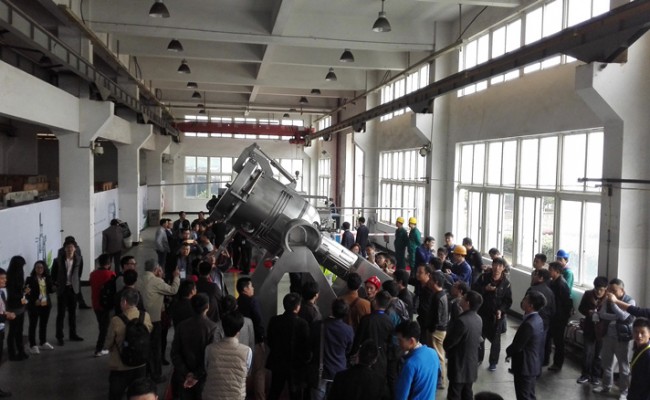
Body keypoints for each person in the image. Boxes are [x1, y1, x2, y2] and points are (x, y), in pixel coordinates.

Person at [106, 289, 153, 400]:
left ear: (124, 302)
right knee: (138, 393)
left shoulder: (116, 320)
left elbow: (109, 343)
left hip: (120, 365)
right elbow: (149, 331)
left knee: (115, 395)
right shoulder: (145, 316)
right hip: (141, 363)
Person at [139, 259, 180, 383]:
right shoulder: (156, 281)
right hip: (154, 319)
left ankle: (146, 372)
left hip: (142, 318)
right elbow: (173, 290)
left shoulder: (140, 279)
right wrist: (176, 277)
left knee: (146, 347)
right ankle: (156, 375)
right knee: (156, 348)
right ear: (156, 269)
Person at [593, 278, 635, 397]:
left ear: (622, 290)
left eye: (614, 290)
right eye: (610, 290)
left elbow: (624, 317)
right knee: (606, 364)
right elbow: (602, 314)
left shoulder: (630, 301)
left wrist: (614, 304)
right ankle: (606, 386)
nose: (610, 292)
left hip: (622, 338)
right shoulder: (607, 299)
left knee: (623, 366)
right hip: (608, 335)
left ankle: (624, 392)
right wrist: (616, 316)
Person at [170, 293, 217, 399]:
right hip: (203, 378)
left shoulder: (181, 326)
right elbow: (211, 358)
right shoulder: (213, 328)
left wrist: (186, 373)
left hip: (183, 377)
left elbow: (174, 353)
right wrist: (196, 375)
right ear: (207, 307)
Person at [266, 293, 311, 400]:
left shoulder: (274, 320)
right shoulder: (302, 324)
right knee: (295, 394)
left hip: (278, 362)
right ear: (298, 307)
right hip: (296, 364)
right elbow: (306, 346)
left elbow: (270, 340)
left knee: (274, 391)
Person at [309, 299, 354, 400]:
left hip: (320, 371)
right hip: (339, 371)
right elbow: (348, 350)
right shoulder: (349, 330)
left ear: (331, 309)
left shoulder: (318, 326)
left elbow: (311, 345)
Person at [473, 257, 512, 371]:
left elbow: (507, 301)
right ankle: (478, 358)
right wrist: (485, 289)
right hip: (481, 313)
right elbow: (474, 290)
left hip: (496, 316)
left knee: (495, 340)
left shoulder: (506, 283)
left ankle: (493, 362)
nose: (497, 268)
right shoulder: (484, 277)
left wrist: (501, 310)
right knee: (480, 338)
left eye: (500, 266)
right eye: (495, 264)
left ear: (503, 268)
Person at [505, 291, 546, 400]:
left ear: (530, 305)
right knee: (530, 395)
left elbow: (518, 346)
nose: (522, 301)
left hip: (525, 366)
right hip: (532, 365)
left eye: (525, 299)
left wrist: (508, 351)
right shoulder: (538, 319)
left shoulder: (529, 324)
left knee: (523, 396)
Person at [444, 291, 484, 400]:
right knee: (467, 393)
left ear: (468, 303)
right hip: (471, 365)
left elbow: (449, 342)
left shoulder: (461, 321)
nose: (461, 298)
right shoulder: (478, 319)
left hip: (459, 365)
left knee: (454, 394)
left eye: (463, 298)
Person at [352, 291, 396, 390]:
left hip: (365, 359)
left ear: (375, 302)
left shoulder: (366, 320)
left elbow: (357, 341)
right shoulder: (389, 322)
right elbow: (391, 345)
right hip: (382, 361)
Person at [203, 311, 252, 400]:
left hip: (212, 395)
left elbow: (207, 369)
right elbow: (246, 372)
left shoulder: (209, 349)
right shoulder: (247, 351)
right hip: (236, 396)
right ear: (239, 329)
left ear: (222, 327)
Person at [236, 277, 266, 400]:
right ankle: (260, 396)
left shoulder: (236, 302)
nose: (253, 288)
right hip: (254, 341)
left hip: (240, 342)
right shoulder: (252, 301)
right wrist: (262, 339)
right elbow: (258, 321)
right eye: (251, 286)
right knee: (259, 371)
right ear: (245, 289)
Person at [394, 321, 439, 400]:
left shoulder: (410, 364)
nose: (398, 343)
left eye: (400, 340)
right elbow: (438, 380)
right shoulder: (433, 353)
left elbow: (401, 395)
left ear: (411, 341)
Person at [576, 276, 608, 385]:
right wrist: (588, 312)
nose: (599, 292)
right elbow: (581, 308)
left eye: (601, 289)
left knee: (598, 355)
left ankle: (595, 376)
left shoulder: (608, 297)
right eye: (597, 289)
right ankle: (585, 374)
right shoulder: (588, 294)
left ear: (605, 288)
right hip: (589, 328)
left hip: (602, 330)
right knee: (587, 353)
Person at [52, 239, 85, 346]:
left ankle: (73, 334)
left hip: (73, 289)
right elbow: (53, 275)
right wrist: (57, 286)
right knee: (61, 314)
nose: (70, 249)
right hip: (62, 289)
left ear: (75, 248)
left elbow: (79, 273)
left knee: (72, 313)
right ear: (64, 249)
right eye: (67, 247)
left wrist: (75, 284)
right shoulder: (57, 260)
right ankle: (59, 336)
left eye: (71, 247)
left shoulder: (79, 259)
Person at [526, 269, 555, 366]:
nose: (533, 277)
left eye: (535, 275)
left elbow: (524, 305)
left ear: (541, 278)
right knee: (541, 345)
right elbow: (553, 309)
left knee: (530, 346)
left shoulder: (532, 290)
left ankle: (529, 367)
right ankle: (538, 367)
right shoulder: (550, 292)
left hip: (531, 321)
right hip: (545, 323)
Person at [547, 261, 573, 372]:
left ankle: (558, 363)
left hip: (559, 318)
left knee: (558, 341)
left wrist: (562, 318)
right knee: (549, 339)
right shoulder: (553, 282)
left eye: (551, 270)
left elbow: (565, 304)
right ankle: (546, 359)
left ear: (557, 271)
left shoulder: (561, 285)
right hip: (553, 316)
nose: (549, 271)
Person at [90, 253, 116, 357]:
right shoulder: (111, 274)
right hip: (106, 305)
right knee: (104, 328)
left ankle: (102, 343)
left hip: (95, 303)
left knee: (101, 325)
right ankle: (99, 349)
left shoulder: (92, 274)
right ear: (109, 264)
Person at [26, 260, 54, 354]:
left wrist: (55, 285)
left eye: (41, 267)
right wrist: (34, 300)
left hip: (45, 305)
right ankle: (32, 345)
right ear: (34, 268)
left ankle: (43, 342)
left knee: (43, 324)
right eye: (37, 267)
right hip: (34, 306)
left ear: (44, 268)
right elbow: (26, 293)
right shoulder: (29, 279)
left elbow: (51, 290)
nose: (39, 269)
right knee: (33, 325)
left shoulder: (47, 278)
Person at [6, 256, 28, 361]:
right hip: (13, 307)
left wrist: (25, 291)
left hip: (20, 306)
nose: (22, 268)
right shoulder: (9, 278)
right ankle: (11, 353)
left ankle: (21, 350)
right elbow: (11, 294)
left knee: (20, 330)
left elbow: (21, 289)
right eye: (21, 266)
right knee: (13, 331)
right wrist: (22, 295)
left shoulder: (20, 275)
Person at [0, 267, 16, 397]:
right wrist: (6, 316)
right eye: (2, 278)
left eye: (5, 278)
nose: (5, 280)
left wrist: (5, 313)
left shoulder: (2, 293)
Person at [628, 317, 650, 400]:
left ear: (649, 334)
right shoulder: (638, 348)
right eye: (636, 332)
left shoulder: (648, 354)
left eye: (642, 332)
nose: (639, 335)